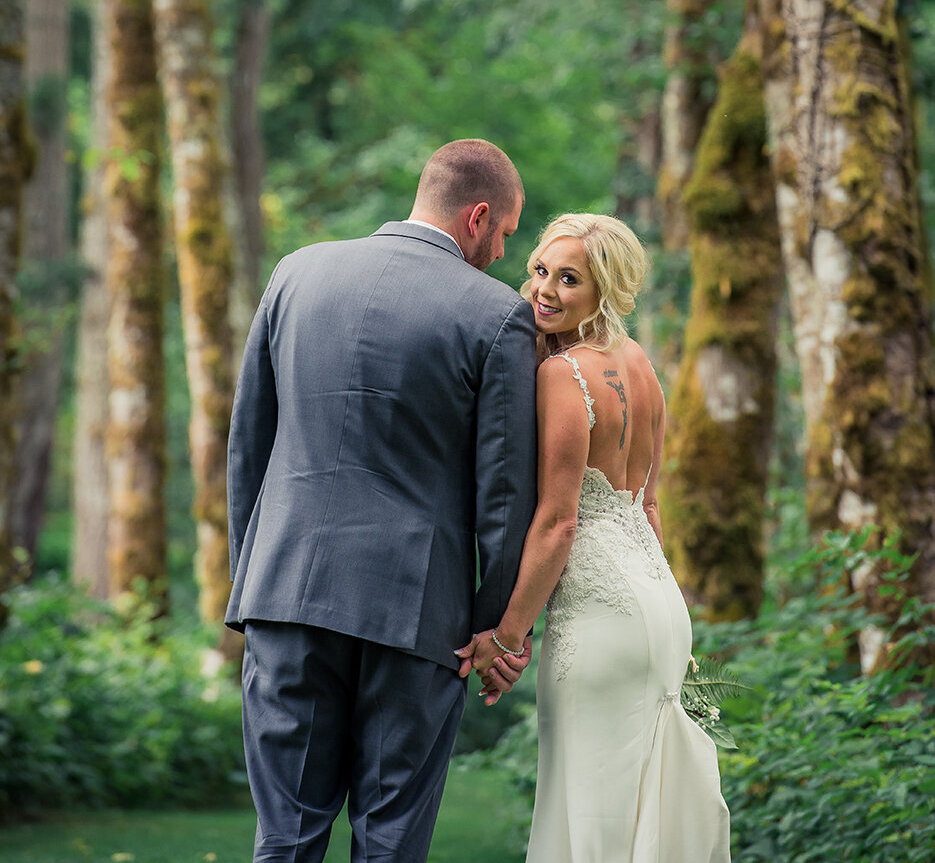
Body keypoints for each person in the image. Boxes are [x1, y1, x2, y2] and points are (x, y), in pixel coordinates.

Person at [226, 139, 538, 863]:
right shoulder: (495, 316)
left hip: (285, 595)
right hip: (416, 615)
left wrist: (254, 579)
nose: (499, 254)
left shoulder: (295, 273)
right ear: (478, 217)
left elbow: (248, 444)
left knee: (284, 840)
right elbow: (502, 494)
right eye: (504, 236)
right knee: (391, 842)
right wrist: (492, 629)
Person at [458, 213, 731, 862]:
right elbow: (650, 506)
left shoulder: (564, 374)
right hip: (659, 608)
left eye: (568, 279)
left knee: (588, 802)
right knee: (633, 799)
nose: (543, 290)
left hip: (602, 620)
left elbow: (557, 523)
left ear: (604, 288)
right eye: (539, 270)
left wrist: (505, 638)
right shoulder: (637, 363)